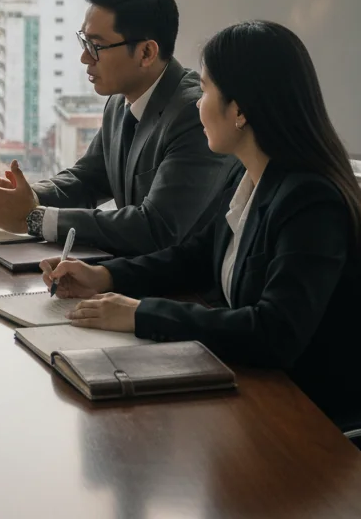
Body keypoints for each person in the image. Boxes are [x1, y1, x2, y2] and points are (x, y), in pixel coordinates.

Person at [41, 21, 361, 427]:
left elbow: (273, 333)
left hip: (310, 421)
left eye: (206, 90)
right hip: (255, 391)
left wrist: (141, 314)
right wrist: (103, 276)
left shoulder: (311, 202)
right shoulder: (250, 175)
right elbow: (194, 257)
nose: (197, 103)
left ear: (240, 110)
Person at [0, 0, 232, 255]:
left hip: (189, 290)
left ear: (146, 52)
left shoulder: (193, 115)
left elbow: (155, 227)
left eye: (97, 46)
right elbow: (88, 179)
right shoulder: (120, 101)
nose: (85, 58)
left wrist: (33, 218)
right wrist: (24, 196)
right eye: (84, 42)